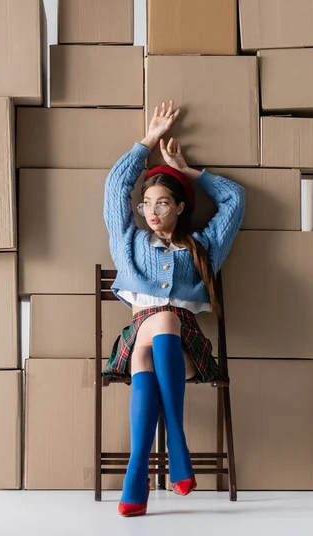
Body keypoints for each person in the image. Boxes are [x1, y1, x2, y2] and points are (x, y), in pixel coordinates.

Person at [102, 100, 245, 517]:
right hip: (139, 333)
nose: (152, 212)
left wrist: (185, 170)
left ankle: (136, 474)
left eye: (162, 203)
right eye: (147, 204)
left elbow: (235, 199)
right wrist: (146, 142)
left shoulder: (203, 246)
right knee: (158, 320)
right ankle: (177, 446)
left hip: (184, 350)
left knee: (149, 362)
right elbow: (115, 190)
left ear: (180, 206)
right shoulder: (128, 241)